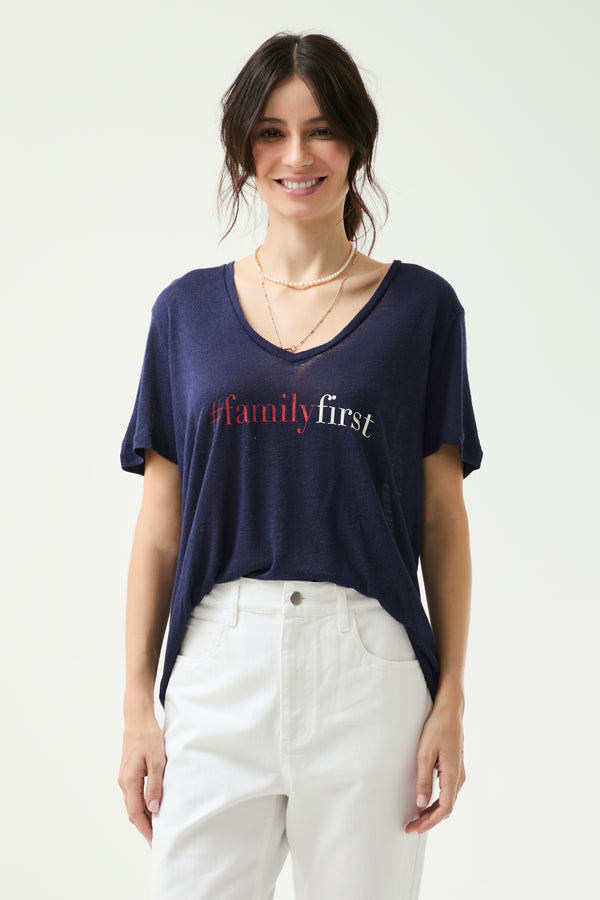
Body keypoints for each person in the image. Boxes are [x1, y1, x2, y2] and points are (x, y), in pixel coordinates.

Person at [117, 31, 483, 900]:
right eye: (271, 133)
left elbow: (442, 519)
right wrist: (136, 704)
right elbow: (160, 530)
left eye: (321, 130)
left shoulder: (422, 310)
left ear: (357, 142)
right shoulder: (184, 314)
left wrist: (451, 697)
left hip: (370, 668)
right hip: (218, 661)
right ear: (243, 150)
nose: (296, 157)